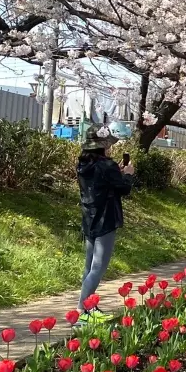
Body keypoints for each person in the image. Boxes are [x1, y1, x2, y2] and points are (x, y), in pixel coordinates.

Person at [76, 125, 133, 324]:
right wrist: (128, 173)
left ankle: (89, 307)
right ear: (103, 145)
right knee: (98, 267)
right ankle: (83, 310)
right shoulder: (107, 166)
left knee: (89, 265)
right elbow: (124, 188)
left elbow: (101, 185)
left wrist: (116, 172)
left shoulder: (83, 164)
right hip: (105, 218)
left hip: (89, 217)